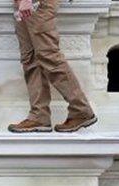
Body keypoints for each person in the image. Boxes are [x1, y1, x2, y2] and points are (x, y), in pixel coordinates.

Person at [6, 0, 97, 132]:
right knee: (30, 60)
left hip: (37, 3)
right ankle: (39, 116)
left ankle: (81, 109)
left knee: (49, 56)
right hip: (21, 4)